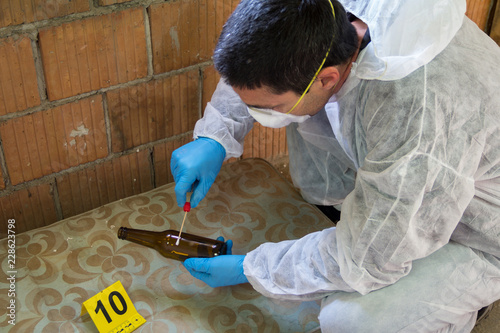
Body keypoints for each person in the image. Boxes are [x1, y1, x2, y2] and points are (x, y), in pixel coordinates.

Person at [170, 0, 500, 331]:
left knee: (348, 320)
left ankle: (454, 311)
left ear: (328, 78)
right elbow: (261, 57)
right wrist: (215, 135)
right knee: (305, 109)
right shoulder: (316, 15)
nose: (261, 114)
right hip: (425, 176)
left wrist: (252, 267)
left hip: (481, 230)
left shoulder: (413, 115)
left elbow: (369, 257)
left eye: (269, 108)